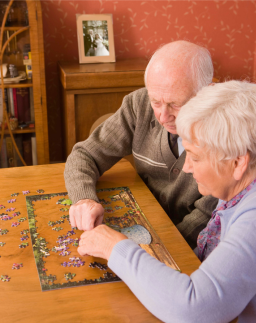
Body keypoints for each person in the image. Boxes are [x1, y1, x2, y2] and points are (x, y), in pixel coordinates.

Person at [77, 80, 256, 323]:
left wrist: (115, 248)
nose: (186, 167)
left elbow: (195, 309)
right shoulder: (245, 180)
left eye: (195, 157)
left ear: (238, 162)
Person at [64, 40, 218, 249]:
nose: (163, 116)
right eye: (156, 101)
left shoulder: (227, 136)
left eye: (176, 104)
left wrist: (144, 250)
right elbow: (85, 154)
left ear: (207, 92)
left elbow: (206, 218)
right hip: (138, 222)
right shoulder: (138, 105)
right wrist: (84, 200)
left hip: (186, 246)